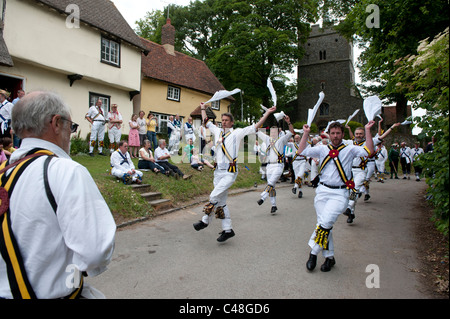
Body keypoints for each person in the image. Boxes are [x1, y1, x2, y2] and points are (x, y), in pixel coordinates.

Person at [2, 91, 115, 298]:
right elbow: (95, 252)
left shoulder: (3, 172)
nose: (70, 135)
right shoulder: (65, 171)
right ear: (56, 123)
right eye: (71, 127)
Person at [295, 120, 375, 272]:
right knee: (325, 225)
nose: (336, 136)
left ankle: (313, 253)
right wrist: (305, 133)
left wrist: (367, 130)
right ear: (329, 135)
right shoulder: (322, 148)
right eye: (333, 133)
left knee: (325, 222)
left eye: (338, 133)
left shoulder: (350, 149)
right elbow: (301, 152)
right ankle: (330, 257)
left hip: (340, 193)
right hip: (322, 191)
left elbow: (369, 151)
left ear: (342, 134)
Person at [193, 102, 276, 242]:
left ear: (231, 123)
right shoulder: (218, 131)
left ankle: (205, 221)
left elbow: (256, 126)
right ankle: (228, 230)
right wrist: (202, 108)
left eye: (226, 121)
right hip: (218, 171)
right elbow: (206, 122)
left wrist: (267, 113)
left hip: (229, 172)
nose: (224, 122)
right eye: (222, 120)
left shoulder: (237, 133)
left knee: (214, 195)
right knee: (221, 202)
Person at [257, 118, 295, 214]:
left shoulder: (281, 140)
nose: (273, 133)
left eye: (275, 132)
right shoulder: (267, 139)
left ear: (278, 133)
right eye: (271, 132)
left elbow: (291, 132)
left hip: (278, 165)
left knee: (271, 183)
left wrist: (289, 122)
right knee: (272, 186)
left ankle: (263, 197)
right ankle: (273, 205)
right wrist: (262, 119)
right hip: (269, 166)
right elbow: (256, 130)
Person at [290, 134, 308, 198]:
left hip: (302, 161)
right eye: (295, 138)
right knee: (297, 176)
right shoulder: (292, 144)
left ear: (300, 138)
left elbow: (309, 144)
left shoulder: (304, 144)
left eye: (297, 138)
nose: (296, 139)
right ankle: (300, 191)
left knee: (300, 174)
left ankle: (295, 187)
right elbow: (285, 142)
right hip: (295, 161)